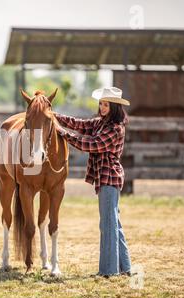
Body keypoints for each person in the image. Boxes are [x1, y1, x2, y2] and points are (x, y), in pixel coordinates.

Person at [55, 87, 132, 278]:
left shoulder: (115, 128)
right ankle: (125, 268)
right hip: (105, 178)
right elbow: (78, 124)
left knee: (107, 224)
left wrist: (63, 134)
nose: (102, 107)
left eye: (106, 105)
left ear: (114, 107)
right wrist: (53, 115)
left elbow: (92, 145)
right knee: (114, 224)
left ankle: (108, 271)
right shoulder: (100, 123)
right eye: (101, 104)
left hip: (109, 178)